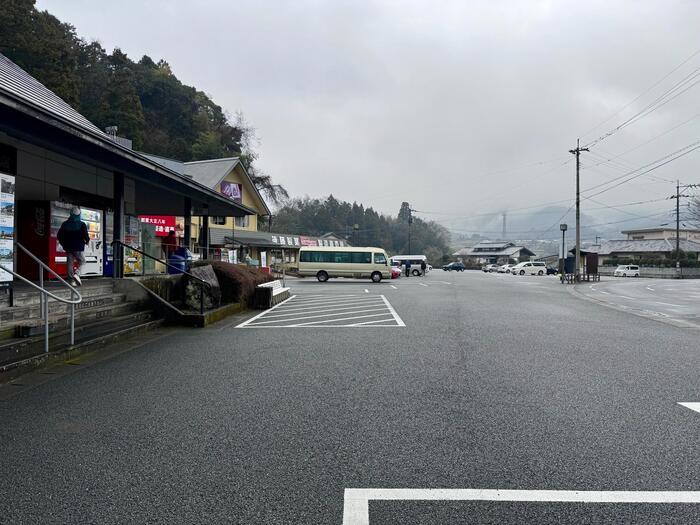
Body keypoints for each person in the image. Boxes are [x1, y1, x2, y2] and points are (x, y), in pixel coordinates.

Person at [57, 207, 90, 286]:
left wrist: (63, 244)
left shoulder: (65, 224)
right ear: (79, 214)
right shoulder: (82, 224)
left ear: (71, 214)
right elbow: (86, 235)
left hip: (68, 247)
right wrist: (87, 241)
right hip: (78, 247)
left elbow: (59, 236)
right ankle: (77, 274)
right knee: (82, 261)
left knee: (70, 263)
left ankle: (71, 281)